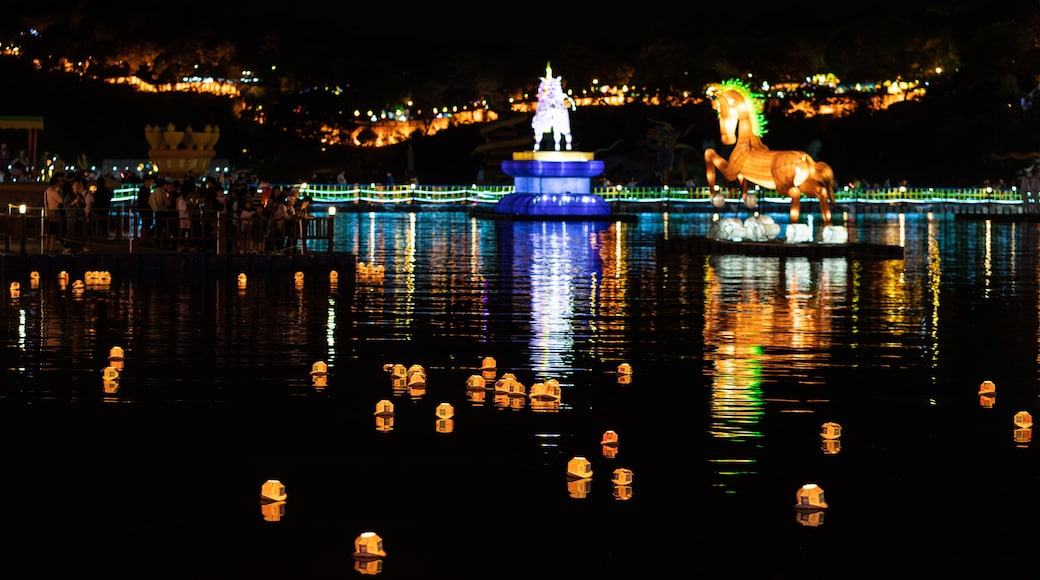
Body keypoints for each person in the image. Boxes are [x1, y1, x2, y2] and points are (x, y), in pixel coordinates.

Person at [42, 176, 64, 252]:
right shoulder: (54, 192)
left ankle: (45, 247)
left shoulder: (46, 192)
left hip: (47, 213)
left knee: (48, 232)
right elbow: (61, 200)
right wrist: (60, 191)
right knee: (53, 232)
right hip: (53, 213)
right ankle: (51, 248)